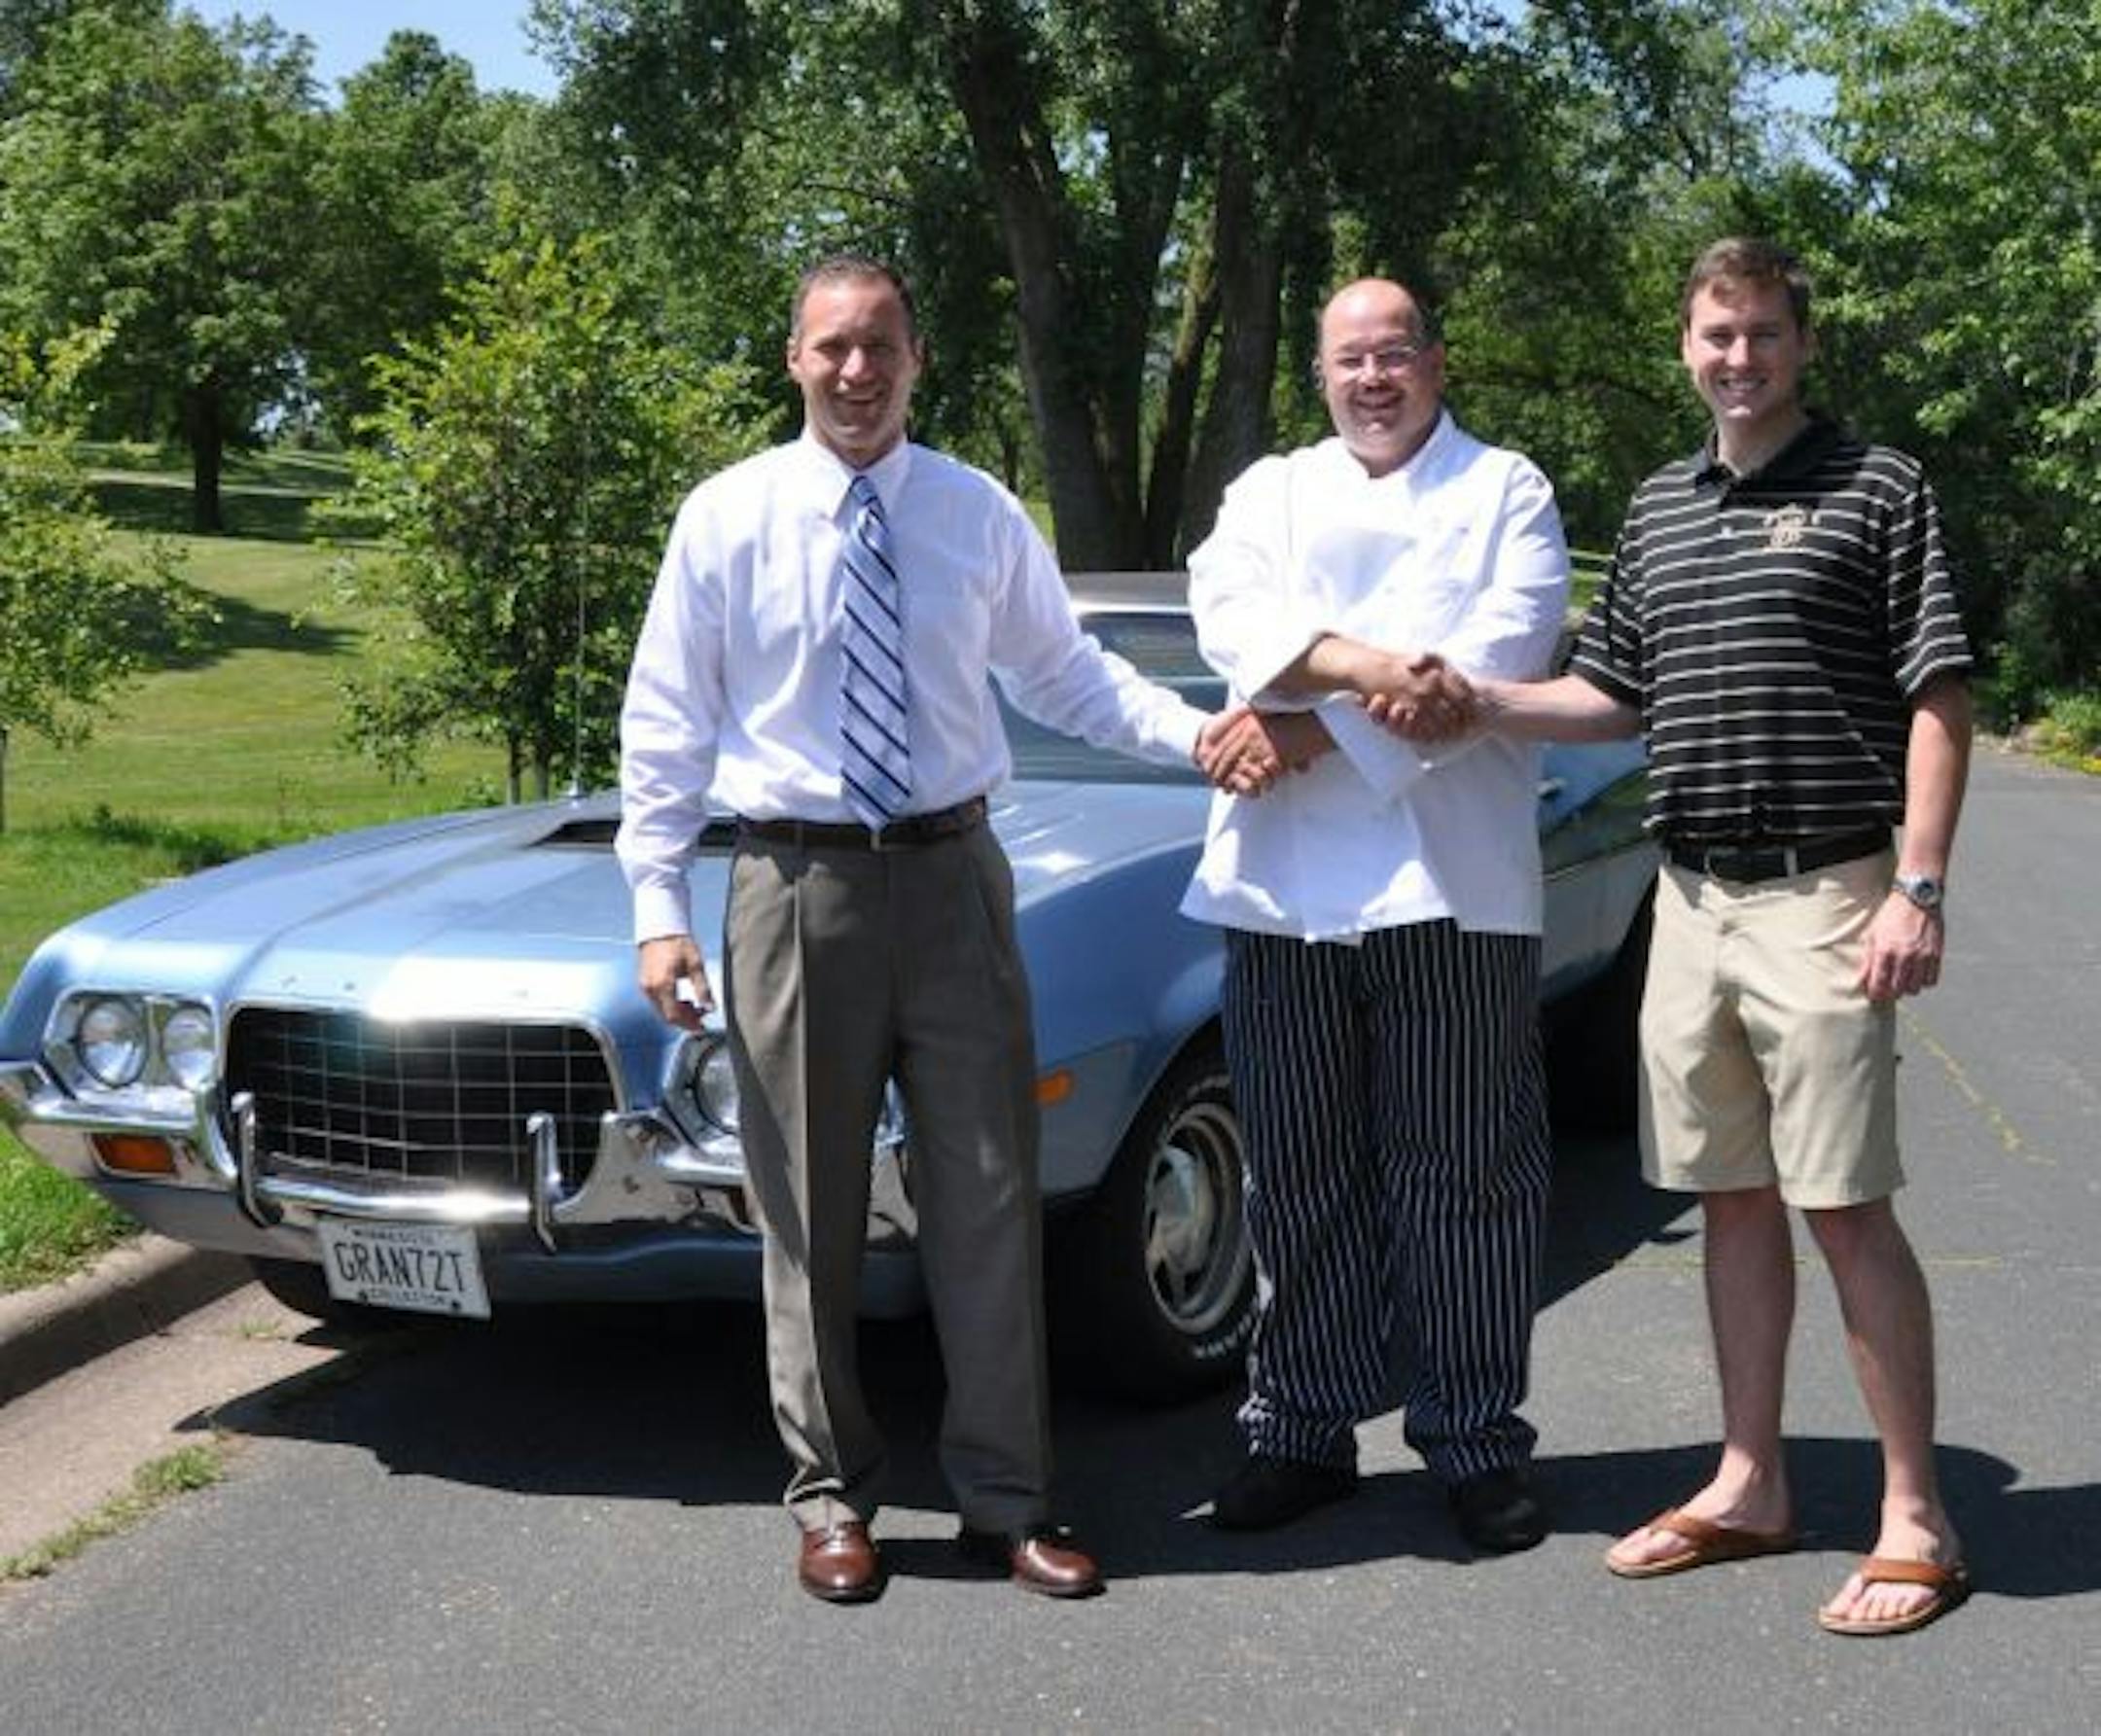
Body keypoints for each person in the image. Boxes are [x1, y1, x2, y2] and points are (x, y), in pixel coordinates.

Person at [617, 254, 1246, 1605]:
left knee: (988, 1198)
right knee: (807, 1212)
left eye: (882, 347)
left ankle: (1008, 1496)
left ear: (917, 360)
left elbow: (1070, 675)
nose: (857, 371)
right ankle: (831, 1494)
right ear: (792, 357)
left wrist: (1198, 734)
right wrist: (657, 905)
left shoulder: (974, 512)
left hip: (956, 881)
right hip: (791, 890)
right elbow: (665, 719)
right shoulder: (725, 518)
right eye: (832, 347)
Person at [1473, 236, 1975, 1636]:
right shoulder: (1657, 506)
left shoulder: (1878, 489)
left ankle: (1916, 1517)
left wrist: (1917, 886)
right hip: (1683, 902)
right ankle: (1752, 1481)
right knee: (1729, 1195)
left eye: (1760, 333)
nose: (1737, 357)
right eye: (1714, 334)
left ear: (1799, 344)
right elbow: (1607, 693)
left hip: (1829, 891)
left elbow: (1938, 694)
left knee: (1843, 1203)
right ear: (1684, 347)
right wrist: (1480, 699)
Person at [1182, 276, 1571, 1554]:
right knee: (1298, 1173)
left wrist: (1298, 723)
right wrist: (1362, 668)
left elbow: (1483, 669)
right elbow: (1234, 622)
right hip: (1282, 894)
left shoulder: (1505, 488)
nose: (1373, 378)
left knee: (1464, 1171)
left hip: (1452, 888)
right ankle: (1298, 1428)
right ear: (1319, 370)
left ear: (1436, 362)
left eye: (1394, 355)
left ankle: (1471, 1440)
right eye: (1349, 358)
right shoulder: (1269, 492)